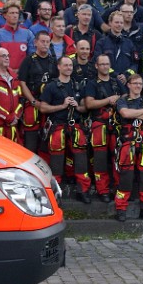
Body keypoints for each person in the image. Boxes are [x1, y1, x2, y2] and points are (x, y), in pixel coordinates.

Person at [113, 74, 143, 222]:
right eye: (135, 83)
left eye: (140, 83)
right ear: (129, 84)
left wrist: (137, 115)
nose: (138, 86)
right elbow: (124, 113)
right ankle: (121, 208)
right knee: (126, 176)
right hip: (127, 143)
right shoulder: (122, 101)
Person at [39, 56, 89, 189]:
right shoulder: (51, 86)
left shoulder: (77, 85)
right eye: (65, 65)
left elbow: (85, 108)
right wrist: (62, 106)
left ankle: (82, 190)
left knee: (80, 159)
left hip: (75, 126)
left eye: (70, 65)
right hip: (57, 126)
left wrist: (77, 106)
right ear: (59, 67)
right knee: (56, 159)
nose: (69, 68)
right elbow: (43, 108)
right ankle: (56, 189)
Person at [82, 54, 124, 202]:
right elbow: (89, 104)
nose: (105, 66)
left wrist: (119, 100)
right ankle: (103, 190)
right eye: (102, 64)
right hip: (99, 124)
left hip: (116, 125)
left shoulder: (116, 82)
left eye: (107, 64)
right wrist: (108, 100)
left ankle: (119, 189)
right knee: (99, 159)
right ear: (96, 66)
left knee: (118, 158)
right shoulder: (92, 84)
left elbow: (126, 99)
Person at [17, 31, 57, 153]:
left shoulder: (54, 62)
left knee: (48, 134)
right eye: (42, 41)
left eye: (47, 42)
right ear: (35, 43)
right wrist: (33, 101)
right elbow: (22, 83)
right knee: (31, 133)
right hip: (32, 102)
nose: (45, 44)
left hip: (49, 103)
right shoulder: (28, 61)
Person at [0, 2, 35, 72]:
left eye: (16, 13)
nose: (15, 15)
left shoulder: (28, 34)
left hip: (22, 76)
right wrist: (8, 71)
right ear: (5, 15)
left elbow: (32, 56)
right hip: (3, 75)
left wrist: (22, 71)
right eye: (12, 13)